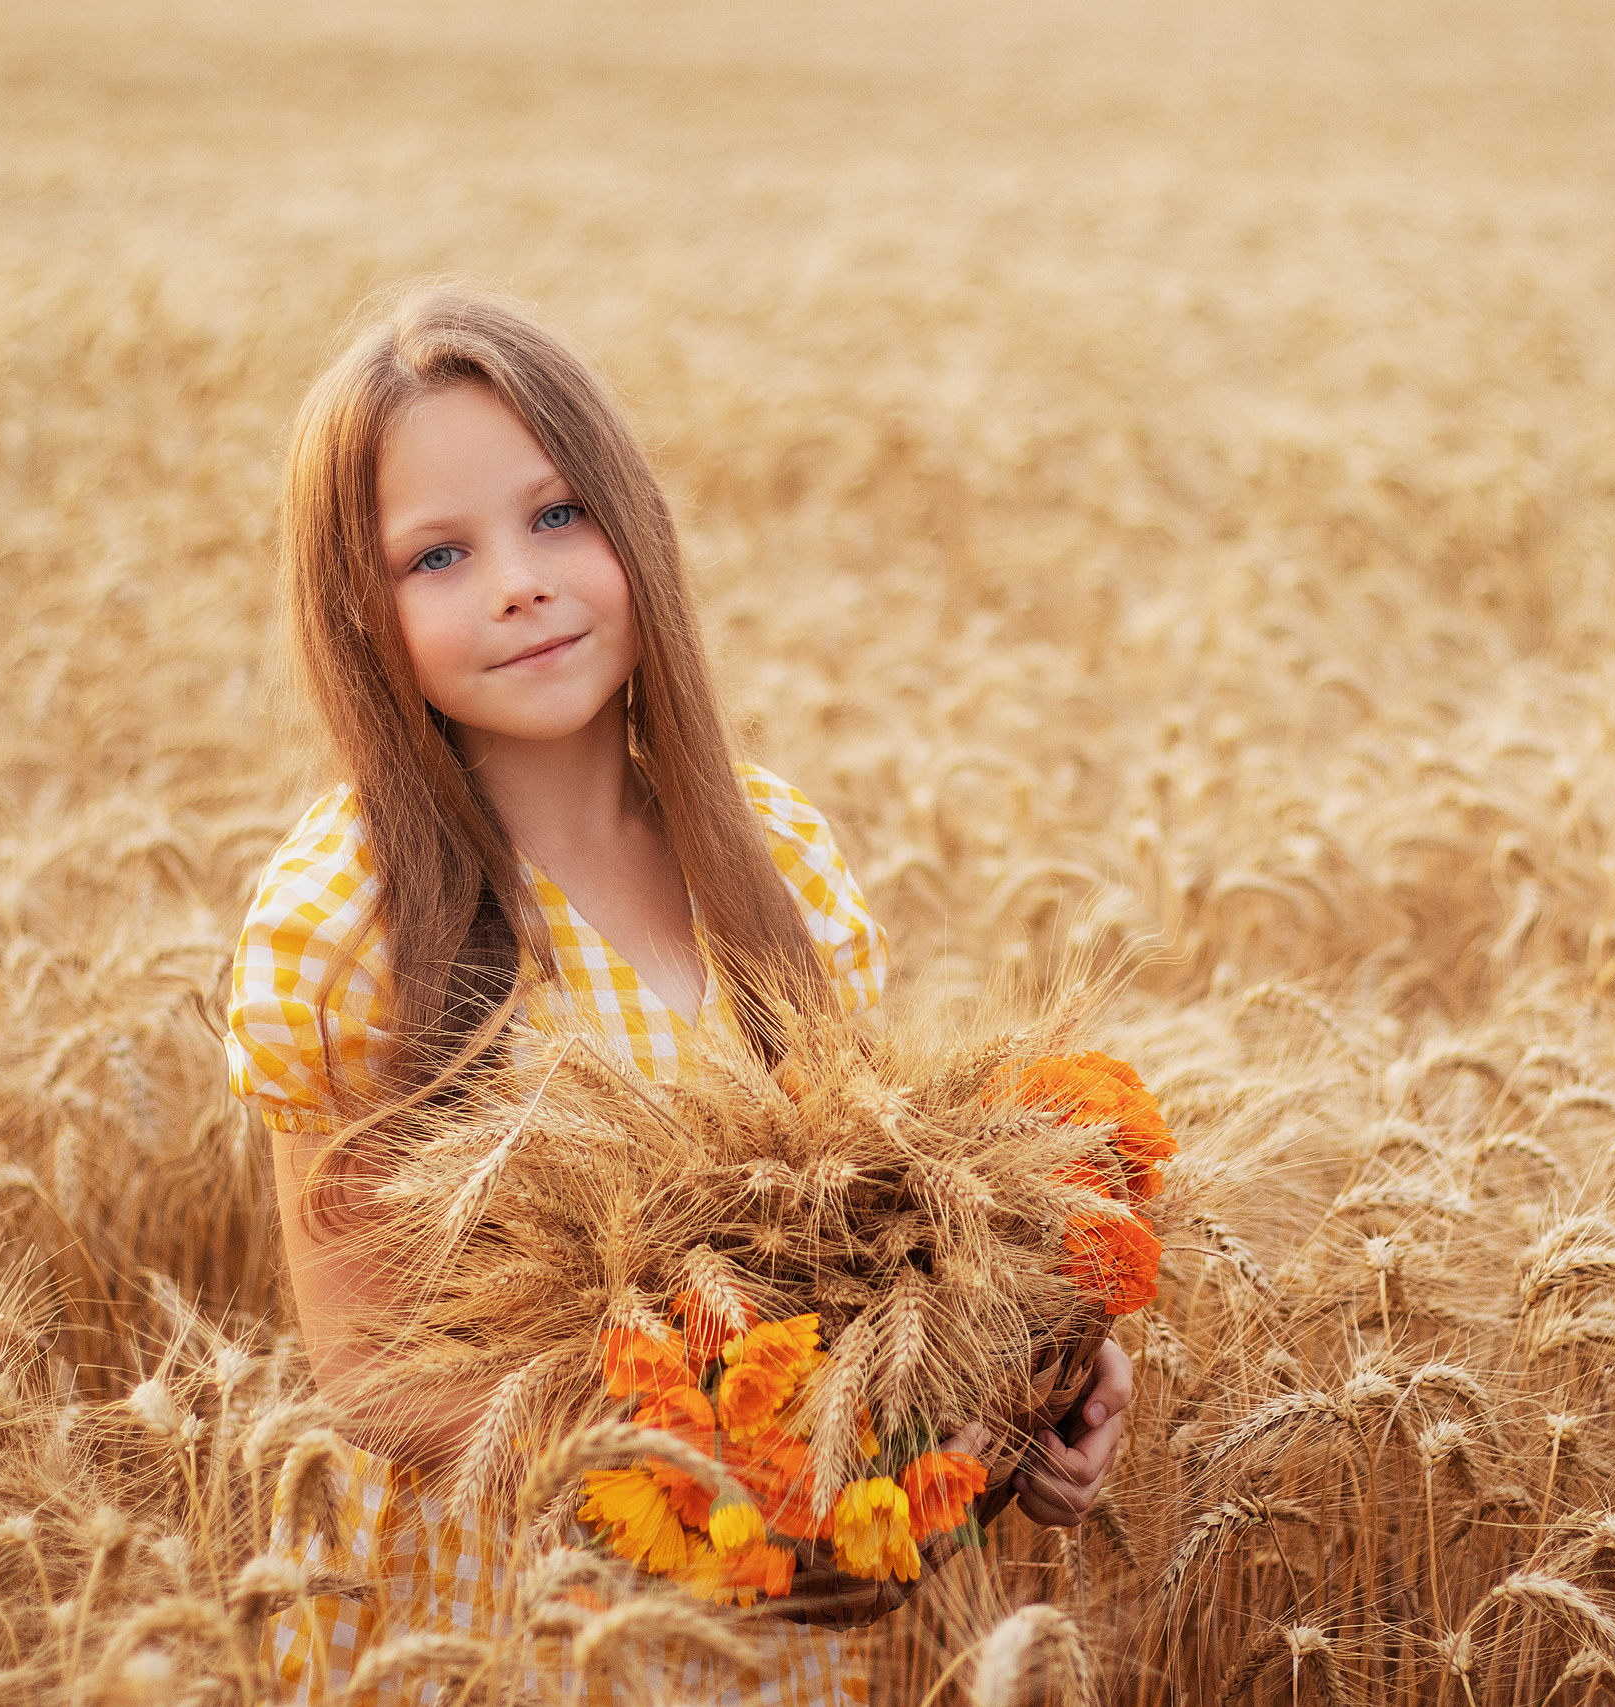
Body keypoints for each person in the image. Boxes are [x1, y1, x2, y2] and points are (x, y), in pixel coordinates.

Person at [225, 282, 1133, 1705]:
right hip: (498, 1622)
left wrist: (1022, 1398)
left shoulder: (774, 860)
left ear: (634, 526)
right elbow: (364, 1373)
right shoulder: (347, 926)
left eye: (558, 515)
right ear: (359, 610)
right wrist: (674, 1476)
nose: (519, 580)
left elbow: (862, 1251)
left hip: (760, 1640)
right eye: (439, 554)